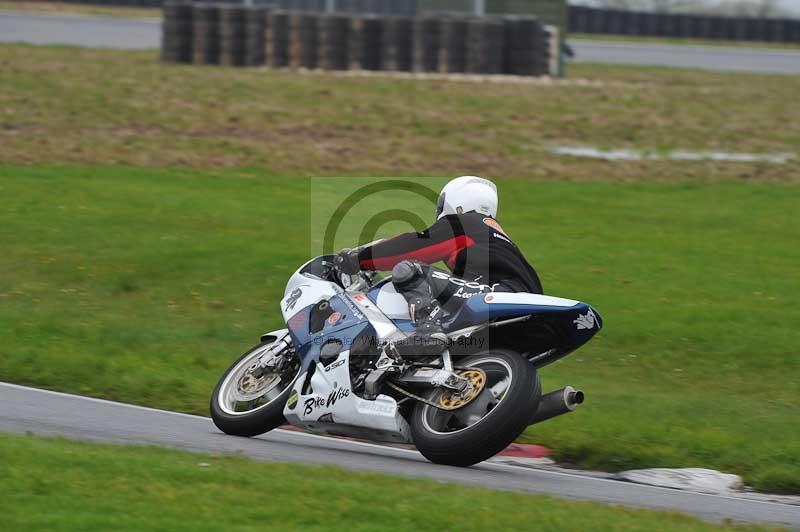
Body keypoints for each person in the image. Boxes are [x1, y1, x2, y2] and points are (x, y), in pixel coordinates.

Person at [335, 176, 542, 356]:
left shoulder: (464, 223)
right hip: (526, 310)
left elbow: (411, 246)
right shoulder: (496, 236)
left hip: (496, 294)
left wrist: (358, 258)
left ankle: (428, 332)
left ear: (456, 202)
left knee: (409, 269)